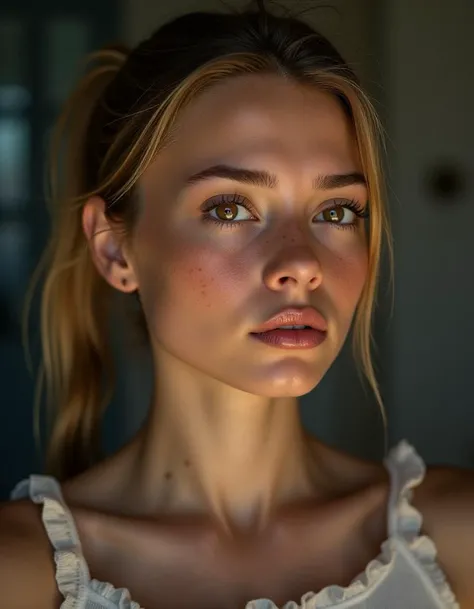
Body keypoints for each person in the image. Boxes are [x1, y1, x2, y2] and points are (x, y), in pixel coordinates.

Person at [0, 2, 472, 608]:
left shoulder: (457, 538)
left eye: (335, 212)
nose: (302, 262)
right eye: (229, 208)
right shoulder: (18, 572)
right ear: (116, 251)